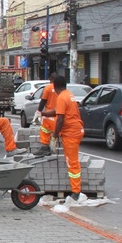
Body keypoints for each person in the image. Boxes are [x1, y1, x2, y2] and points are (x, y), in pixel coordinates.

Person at [46, 75, 86, 203]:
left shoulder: (62, 98)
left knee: (72, 162)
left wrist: (55, 136)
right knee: (46, 121)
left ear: (54, 86)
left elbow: (61, 119)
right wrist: (43, 113)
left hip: (71, 133)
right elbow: (58, 112)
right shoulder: (69, 95)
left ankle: (76, 191)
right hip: (76, 129)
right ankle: (76, 189)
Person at [32, 73, 59, 156]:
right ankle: (54, 142)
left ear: (50, 79)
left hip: (49, 115)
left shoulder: (48, 88)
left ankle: (45, 147)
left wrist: (39, 112)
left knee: (44, 129)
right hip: (60, 116)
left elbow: (43, 101)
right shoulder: (62, 89)